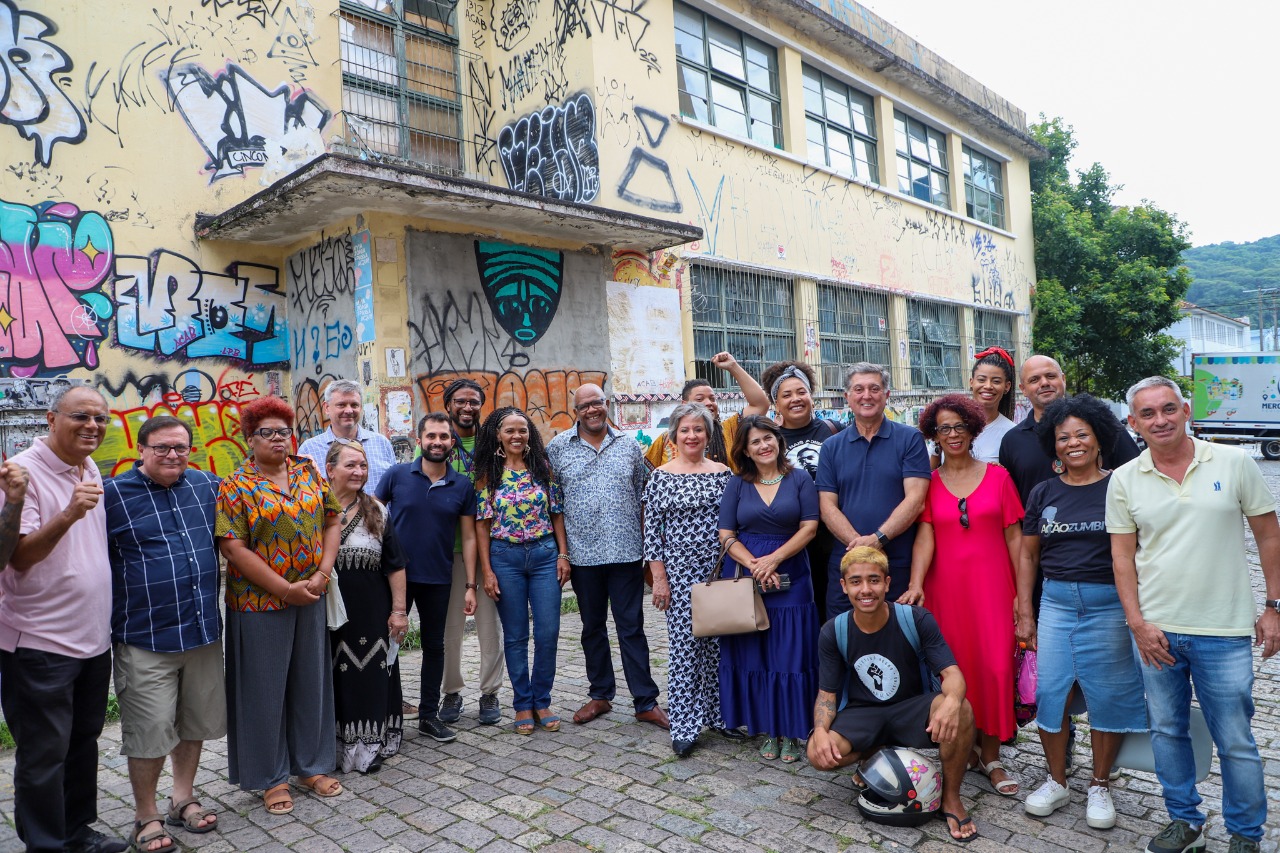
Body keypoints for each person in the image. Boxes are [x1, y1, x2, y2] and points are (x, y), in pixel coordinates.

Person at [1108, 376, 1280, 853]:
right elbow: (1122, 558)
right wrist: (1137, 623)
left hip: (1223, 631)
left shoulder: (1234, 462)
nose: (1159, 420)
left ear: (1186, 410)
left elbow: (1269, 535)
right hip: (1157, 631)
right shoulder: (1124, 479)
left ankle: (1246, 835)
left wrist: (1273, 606)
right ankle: (1185, 821)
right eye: (1148, 414)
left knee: (1237, 741)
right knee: (1167, 731)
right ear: (1133, 422)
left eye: (1168, 409)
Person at [0, 385, 127, 853]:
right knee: (43, 754)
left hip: (90, 637)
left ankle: (76, 831)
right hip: (39, 640)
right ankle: (46, 844)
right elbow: (18, 558)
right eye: (80, 416)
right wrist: (71, 511)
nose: (92, 426)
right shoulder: (22, 474)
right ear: (51, 419)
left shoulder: (86, 463)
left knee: (81, 742)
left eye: (100, 417)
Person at [1016, 394, 1146, 830]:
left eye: (1082, 434)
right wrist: (1026, 613)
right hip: (1055, 603)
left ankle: (1100, 783)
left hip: (1110, 604)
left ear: (1099, 438)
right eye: (1063, 437)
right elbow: (1028, 557)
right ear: (1053, 445)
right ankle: (1056, 780)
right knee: (1050, 694)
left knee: (1108, 696)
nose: (1073, 443)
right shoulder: (1043, 492)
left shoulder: (1123, 485)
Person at [216, 396, 343, 816]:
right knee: (263, 690)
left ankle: (311, 765)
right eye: (266, 432)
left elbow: (331, 519)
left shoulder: (308, 471)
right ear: (249, 439)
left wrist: (322, 574)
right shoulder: (236, 485)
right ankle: (271, 778)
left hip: (311, 592)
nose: (277, 439)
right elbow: (233, 548)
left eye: (283, 431)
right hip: (257, 602)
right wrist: (285, 590)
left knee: (311, 682)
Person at [104, 416, 225, 852]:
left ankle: (182, 798)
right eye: (162, 448)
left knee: (192, 722)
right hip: (144, 635)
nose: (172, 454)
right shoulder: (112, 495)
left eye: (180, 447)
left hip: (201, 629)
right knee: (149, 728)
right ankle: (145, 815)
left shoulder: (207, 486)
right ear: (141, 449)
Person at [807, 547, 977, 843]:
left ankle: (950, 797)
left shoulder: (916, 619)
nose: (866, 589)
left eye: (873, 580)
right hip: (865, 713)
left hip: (912, 708)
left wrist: (951, 701)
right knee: (816, 754)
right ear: (844, 586)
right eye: (856, 581)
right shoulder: (834, 631)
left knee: (962, 709)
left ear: (887, 582)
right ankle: (874, 754)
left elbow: (952, 674)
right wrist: (821, 730)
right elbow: (827, 694)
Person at [901, 394, 1023, 797]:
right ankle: (963, 746)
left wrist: (1023, 596)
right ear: (933, 435)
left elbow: (1015, 540)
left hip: (992, 590)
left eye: (959, 426)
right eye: (943, 428)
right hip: (945, 590)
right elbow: (925, 537)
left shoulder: (1000, 477)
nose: (952, 434)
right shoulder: (929, 483)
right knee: (955, 670)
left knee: (995, 669)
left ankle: (992, 756)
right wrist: (916, 583)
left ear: (973, 429)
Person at [547, 384, 668, 729]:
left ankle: (645, 701)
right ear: (576, 411)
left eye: (597, 402)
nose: (592, 410)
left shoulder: (630, 446)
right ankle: (600, 695)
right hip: (583, 557)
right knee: (592, 628)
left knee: (631, 628)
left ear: (606, 404)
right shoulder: (557, 449)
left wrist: (650, 551)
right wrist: (563, 554)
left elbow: (645, 498)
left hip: (626, 553)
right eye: (584, 405)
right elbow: (554, 504)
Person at [717, 416, 819, 763]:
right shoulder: (737, 484)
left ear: (778, 440)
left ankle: (792, 730)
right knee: (754, 654)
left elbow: (809, 528)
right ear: (745, 450)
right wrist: (754, 565)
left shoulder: (800, 478)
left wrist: (772, 561)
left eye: (768, 438)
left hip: (791, 575)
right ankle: (766, 728)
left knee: (789, 655)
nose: (763, 445)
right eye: (755, 441)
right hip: (747, 579)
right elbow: (726, 535)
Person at [641, 402, 738, 757]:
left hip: (718, 571)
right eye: (685, 430)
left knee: (718, 648)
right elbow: (652, 531)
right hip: (679, 574)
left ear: (708, 435)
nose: (692, 435)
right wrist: (659, 577)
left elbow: (733, 522)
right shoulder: (661, 476)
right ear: (674, 436)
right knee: (685, 650)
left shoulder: (723, 473)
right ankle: (683, 725)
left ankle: (719, 717)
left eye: (698, 429)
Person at [376, 413, 480, 741]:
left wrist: (470, 585)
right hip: (395, 576)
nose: (437, 442)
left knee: (435, 647)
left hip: (438, 577)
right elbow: (372, 518)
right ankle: (383, 714)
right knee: (386, 644)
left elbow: (470, 538)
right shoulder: (395, 476)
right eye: (431, 436)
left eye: (444, 437)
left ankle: (428, 716)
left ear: (452, 442)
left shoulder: (462, 485)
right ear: (419, 439)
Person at [474, 407, 570, 735]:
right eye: (510, 430)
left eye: (523, 430)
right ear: (497, 435)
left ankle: (542, 699)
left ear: (530, 435)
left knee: (547, 632)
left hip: (544, 556)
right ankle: (522, 704)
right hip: (504, 558)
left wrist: (563, 555)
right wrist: (486, 571)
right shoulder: (488, 472)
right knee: (515, 636)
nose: (517, 435)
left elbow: (556, 512)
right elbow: (482, 526)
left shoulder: (542, 467)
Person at [816, 363, 930, 609]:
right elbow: (826, 507)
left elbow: (916, 500)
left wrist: (878, 539)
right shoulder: (831, 446)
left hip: (895, 563)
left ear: (886, 395)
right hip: (846, 563)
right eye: (858, 389)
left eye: (874, 389)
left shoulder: (910, 439)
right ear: (847, 397)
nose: (866, 395)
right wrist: (861, 547)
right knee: (844, 637)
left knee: (897, 638)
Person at [325, 439, 409, 772]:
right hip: (326, 613)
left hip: (371, 612)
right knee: (334, 679)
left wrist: (399, 611)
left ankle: (368, 748)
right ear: (330, 469)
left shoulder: (377, 510)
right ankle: (330, 749)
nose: (359, 471)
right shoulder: (316, 508)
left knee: (370, 675)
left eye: (363, 465)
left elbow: (396, 564)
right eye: (350, 465)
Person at [437, 378, 504, 726]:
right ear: (448, 404)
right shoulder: (437, 442)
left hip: (490, 548)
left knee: (490, 624)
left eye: (474, 402)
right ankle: (451, 692)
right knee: (450, 627)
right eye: (460, 401)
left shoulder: (493, 442)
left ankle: (490, 692)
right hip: (449, 551)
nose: (467, 407)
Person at [759, 360, 842, 622]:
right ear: (775, 403)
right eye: (786, 395)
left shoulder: (834, 430)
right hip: (793, 538)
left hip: (834, 535)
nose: (796, 399)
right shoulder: (770, 441)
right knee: (801, 608)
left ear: (811, 396)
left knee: (835, 603)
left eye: (801, 392)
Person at [999, 355, 1140, 505]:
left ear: (1063, 379)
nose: (1044, 383)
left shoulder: (1103, 425)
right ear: (1023, 389)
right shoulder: (1012, 441)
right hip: (1037, 527)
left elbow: (1136, 478)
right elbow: (1010, 503)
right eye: (1034, 380)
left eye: (1050, 376)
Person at [644, 352, 769, 471]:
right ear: (685, 404)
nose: (708, 403)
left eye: (712, 398)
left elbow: (760, 405)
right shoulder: (666, 439)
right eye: (700, 399)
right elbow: (647, 479)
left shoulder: (730, 429)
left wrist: (733, 367)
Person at [297, 379, 397, 495]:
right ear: (326, 408)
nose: (349, 410)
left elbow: (395, 489)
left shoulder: (381, 444)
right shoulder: (310, 449)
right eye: (341, 405)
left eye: (354, 405)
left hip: (379, 513)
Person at [931, 346, 1017, 467]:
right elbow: (929, 472)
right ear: (971, 382)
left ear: (1007, 386)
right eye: (981, 380)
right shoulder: (948, 424)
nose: (988, 386)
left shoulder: (1012, 433)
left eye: (996, 381)